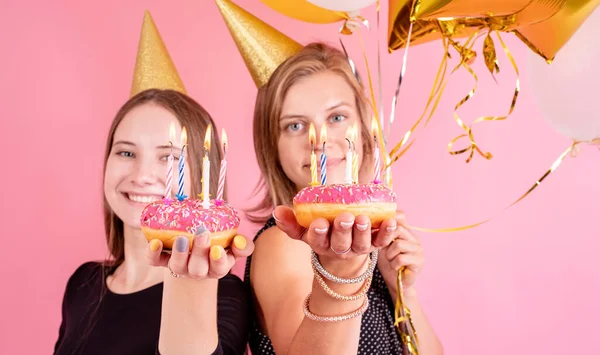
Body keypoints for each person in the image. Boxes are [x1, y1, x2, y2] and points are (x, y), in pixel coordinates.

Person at [53, 11, 253, 355]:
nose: (142, 175)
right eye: (126, 153)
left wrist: (191, 280)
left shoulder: (221, 294)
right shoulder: (83, 284)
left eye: (169, 157)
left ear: (204, 177)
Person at [242, 41, 444, 355]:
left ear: (363, 128)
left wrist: (401, 290)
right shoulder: (283, 244)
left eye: (336, 117)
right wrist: (340, 275)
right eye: (295, 125)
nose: (320, 140)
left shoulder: (370, 242)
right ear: (273, 147)